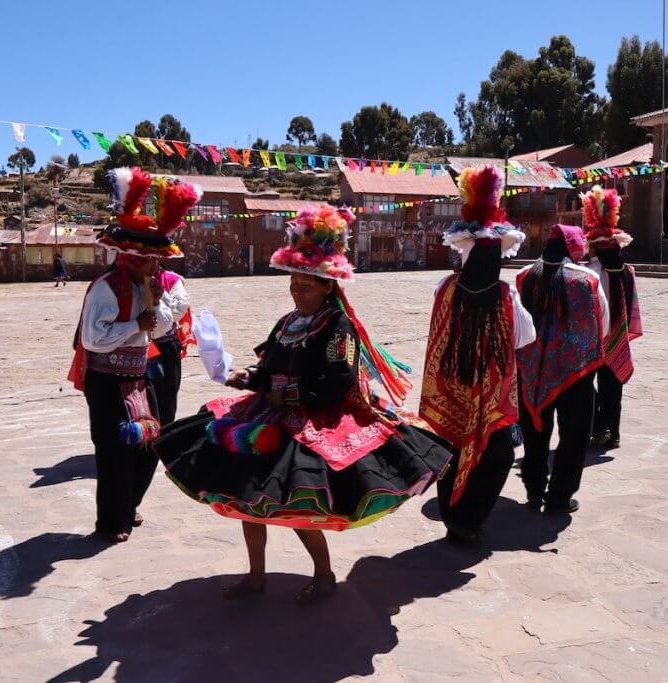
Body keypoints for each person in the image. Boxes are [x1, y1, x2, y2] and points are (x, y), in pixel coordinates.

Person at [155, 204, 452, 604]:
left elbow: (337, 382)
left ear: (329, 285)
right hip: (268, 413)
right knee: (244, 498)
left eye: (306, 286)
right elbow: (270, 366)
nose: (297, 291)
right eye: (294, 284)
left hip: (313, 418)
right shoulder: (288, 322)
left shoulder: (337, 327)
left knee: (300, 503)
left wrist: (288, 396)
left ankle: (324, 575)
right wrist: (247, 377)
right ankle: (256, 575)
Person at [66, 166, 202, 543]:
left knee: (152, 441)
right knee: (113, 453)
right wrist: (136, 325)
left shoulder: (151, 286)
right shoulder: (105, 289)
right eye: (151, 259)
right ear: (131, 256)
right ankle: (111, 522)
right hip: (107, 380)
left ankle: (129, 505)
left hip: (139, 377)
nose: (157, 265)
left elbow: (158, 328)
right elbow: (93, 339)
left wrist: (153, 309)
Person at [419, 166, 536, 546]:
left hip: (451, 385)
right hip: (488, 392)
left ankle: (456, 517)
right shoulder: (506, 296)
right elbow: (525, 337)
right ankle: (466, 519)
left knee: (452, 448)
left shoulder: (446, 288)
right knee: (497, 454)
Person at [514, 223, 609, 515]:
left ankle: (534, 489)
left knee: (535, 431)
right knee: (574, 436)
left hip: (532, 371)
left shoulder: (524, 276)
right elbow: (602, 323)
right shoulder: (588, 279)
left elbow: (517, 325)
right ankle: (559, 497)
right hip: (576, 372)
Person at [581, 186, 642, 451]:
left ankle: (598, 427)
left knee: (585, 386)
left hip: (593, 338)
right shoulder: (627, 271)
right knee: (613, 387)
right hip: (616, 335)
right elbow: (632, 306)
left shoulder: (587, 273)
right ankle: (612, 432)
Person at [147, 267, 195, 426]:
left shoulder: (171, 280)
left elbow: (178, 310)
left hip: (165, 347)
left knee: (166, 399)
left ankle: (163, 437)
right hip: (134, 349)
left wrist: (160, 297)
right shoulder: (124, 280)